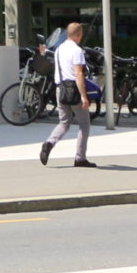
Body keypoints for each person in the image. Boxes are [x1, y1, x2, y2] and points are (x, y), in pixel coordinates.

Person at [39, 19, 96, 168]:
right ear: (78, 35)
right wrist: (83, 96)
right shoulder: (77, 51)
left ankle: (49, 143)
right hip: (74, 90)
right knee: (85, 124)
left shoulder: (59, 49)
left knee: (64, 123)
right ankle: (80, 158)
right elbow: (78, 74)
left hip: (61, 89)